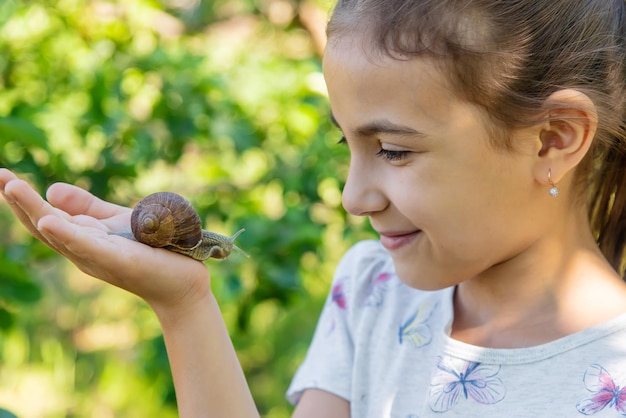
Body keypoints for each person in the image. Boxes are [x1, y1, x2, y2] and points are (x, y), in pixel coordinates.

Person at [1, 0, 625, 416]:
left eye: (394, 151)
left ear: (552, 139)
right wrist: (184, 305)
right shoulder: (374, 293)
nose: (354, 197)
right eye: (346, 142)